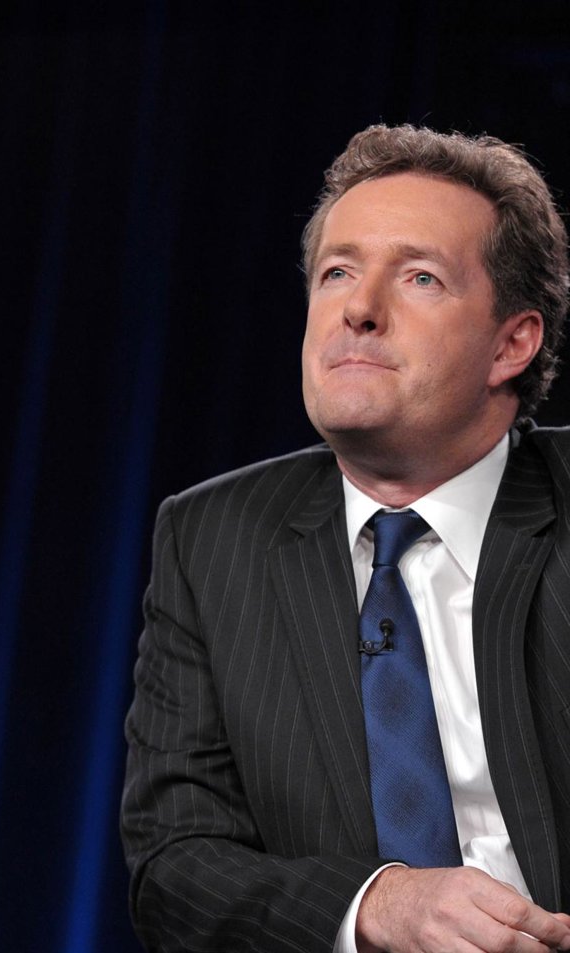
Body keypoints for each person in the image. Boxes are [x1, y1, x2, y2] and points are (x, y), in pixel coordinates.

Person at [120, 123, 570, 953]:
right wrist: (374, 905)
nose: (358, 310)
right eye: (337, 272)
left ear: (512, 342)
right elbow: (176, 867)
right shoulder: (211, 539)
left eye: (421, 277)